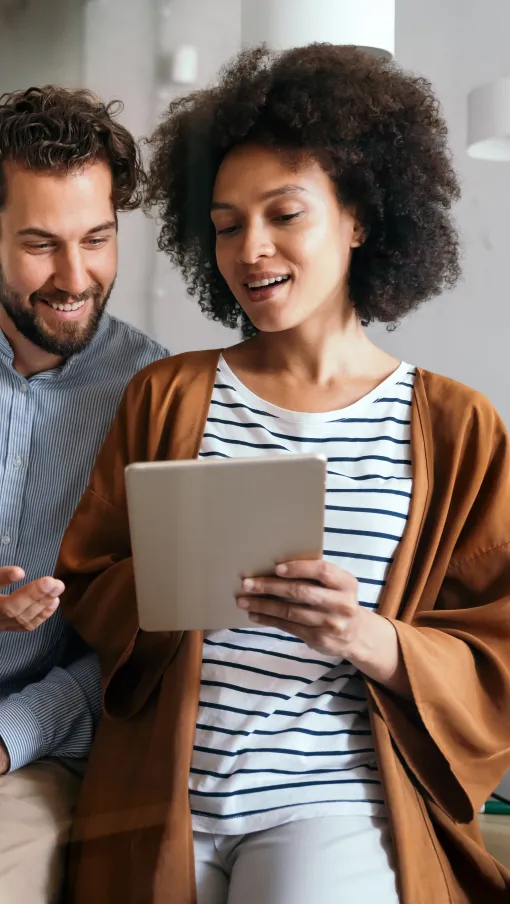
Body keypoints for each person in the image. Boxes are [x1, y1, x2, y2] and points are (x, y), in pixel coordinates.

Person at [57, 45, 510, 904]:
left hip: (333, 800)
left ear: (360, 219)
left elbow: (499, 643)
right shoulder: (167, 394)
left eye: (284, 213)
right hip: (162, 795)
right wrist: (169, 581)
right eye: (227, 224)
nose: (250, 248)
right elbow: (88, 583)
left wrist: (371, 639)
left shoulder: (456, 427)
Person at [0, 85, 168, 903]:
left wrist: (8, 735)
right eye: (40, 244)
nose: (76, 277)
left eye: (97, 238)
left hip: (27, 755)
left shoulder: (153, 392)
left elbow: (140, 645)